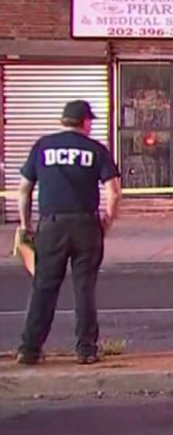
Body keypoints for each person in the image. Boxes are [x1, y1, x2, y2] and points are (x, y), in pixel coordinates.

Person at [16, 100, 121, 366]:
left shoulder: (42, 146)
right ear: (85, 122)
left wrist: (25, 224)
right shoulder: (96, 149)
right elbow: (114, 191)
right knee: (84, 287)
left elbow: (24, 189)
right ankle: (86, 349)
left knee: (44, 287)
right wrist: (107, 221)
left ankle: (29, 349)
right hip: (86, 224)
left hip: (52, 225)